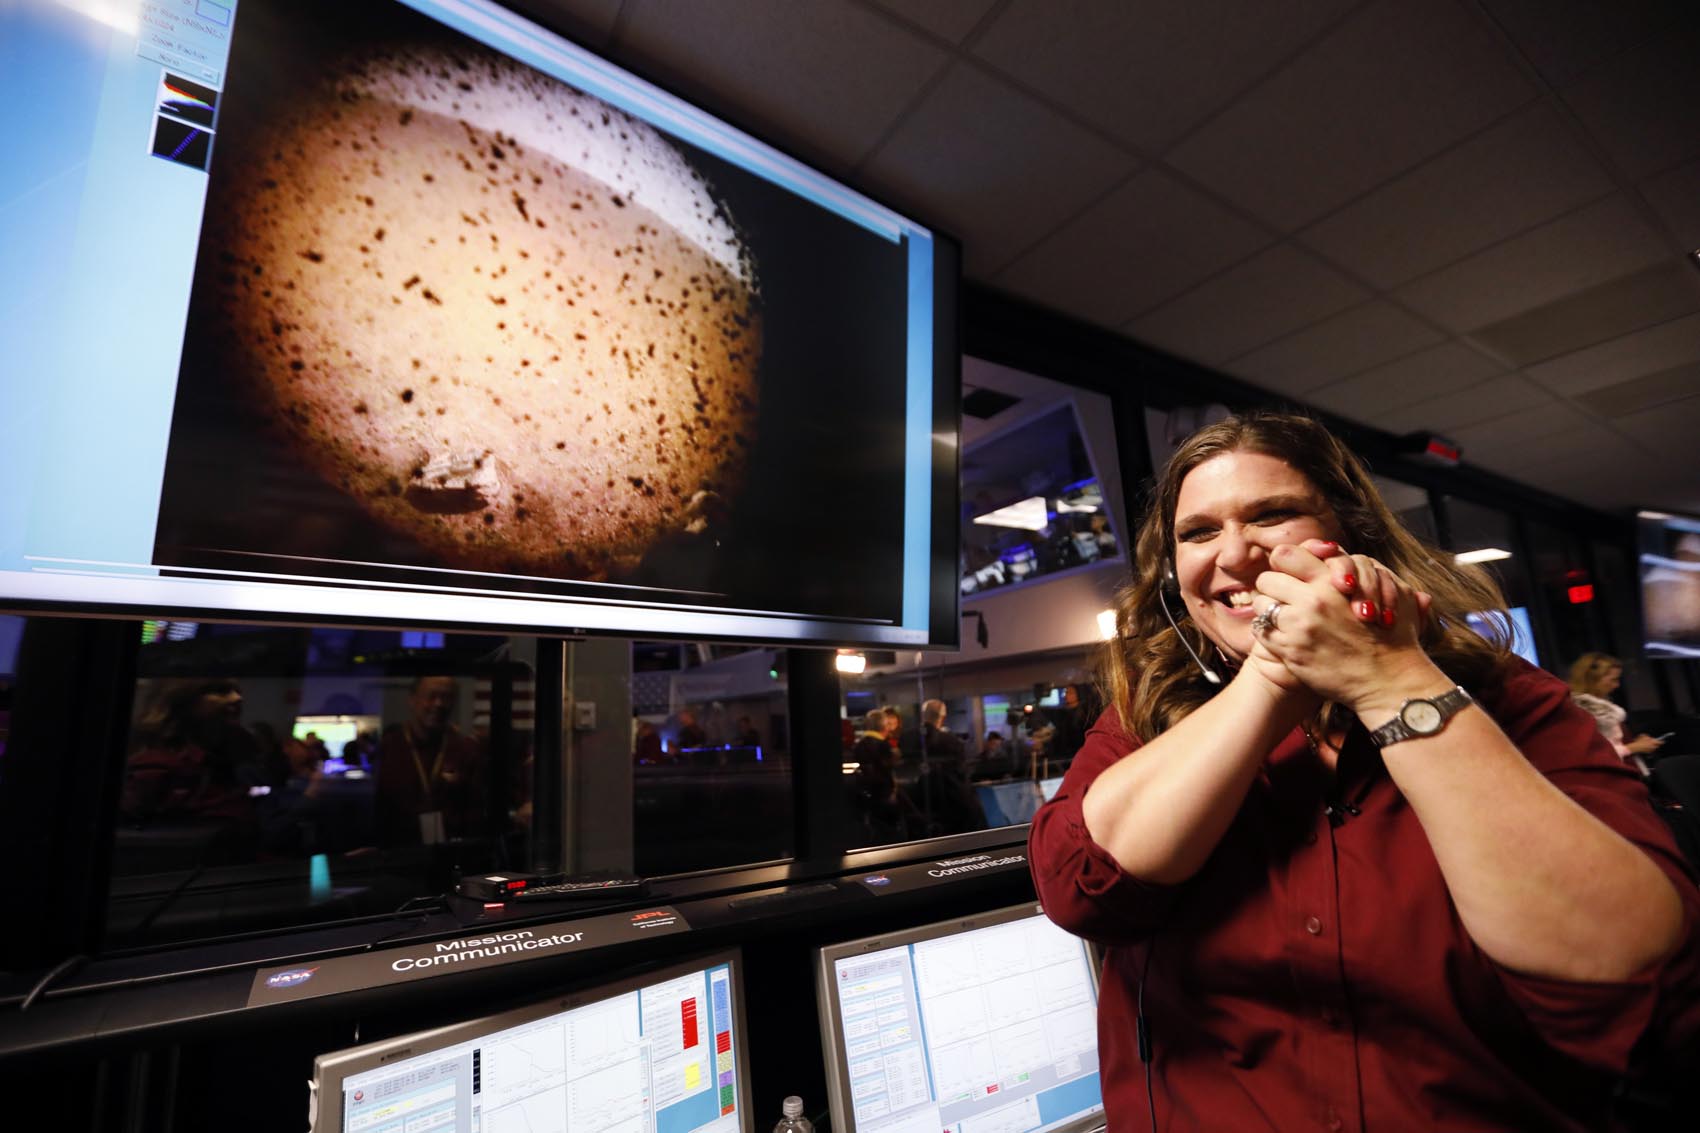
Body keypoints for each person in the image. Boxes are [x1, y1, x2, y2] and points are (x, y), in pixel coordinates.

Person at [1029, 411, 1699, 1132]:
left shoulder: (1506, 700)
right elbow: (1082, 890)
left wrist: (1391, 681)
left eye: (1273, 513)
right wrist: (1274, 676)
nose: (1234, 553)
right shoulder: (1146, 719)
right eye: (1197, 532)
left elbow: (1630, 969)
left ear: (1356, 536)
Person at [375, 675, 486, 846]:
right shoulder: (389, 747)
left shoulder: (465, 749)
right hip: (396, 852)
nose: (439, 704)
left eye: (446, 697)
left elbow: (477, 809)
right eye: (431, 696)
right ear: (412, 700)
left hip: (452, 852)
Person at [1569, 652, 1665, 774]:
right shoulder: (1580, 710)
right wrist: (1633, 747)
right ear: (1592, 679)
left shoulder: (1604, 707)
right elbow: (1589, 755)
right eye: (1613, 680)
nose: (1617, 685)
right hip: (1608, 776)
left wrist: (1636, 743)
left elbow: (1613, 742)